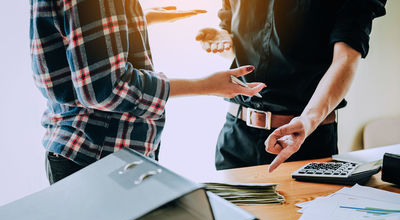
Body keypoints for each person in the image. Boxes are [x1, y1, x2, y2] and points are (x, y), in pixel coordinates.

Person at [31, 0, 266, 184]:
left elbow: (72, 40)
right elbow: (106, 89)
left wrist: (136, 20)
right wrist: (204, 85)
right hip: (100, 157)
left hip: (85, 150)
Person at [196, 0, 386, 172]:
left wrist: (308, 120)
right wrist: (223, 41)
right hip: (236, 135)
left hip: (305, 139)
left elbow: (345, 59)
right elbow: (242, 55)